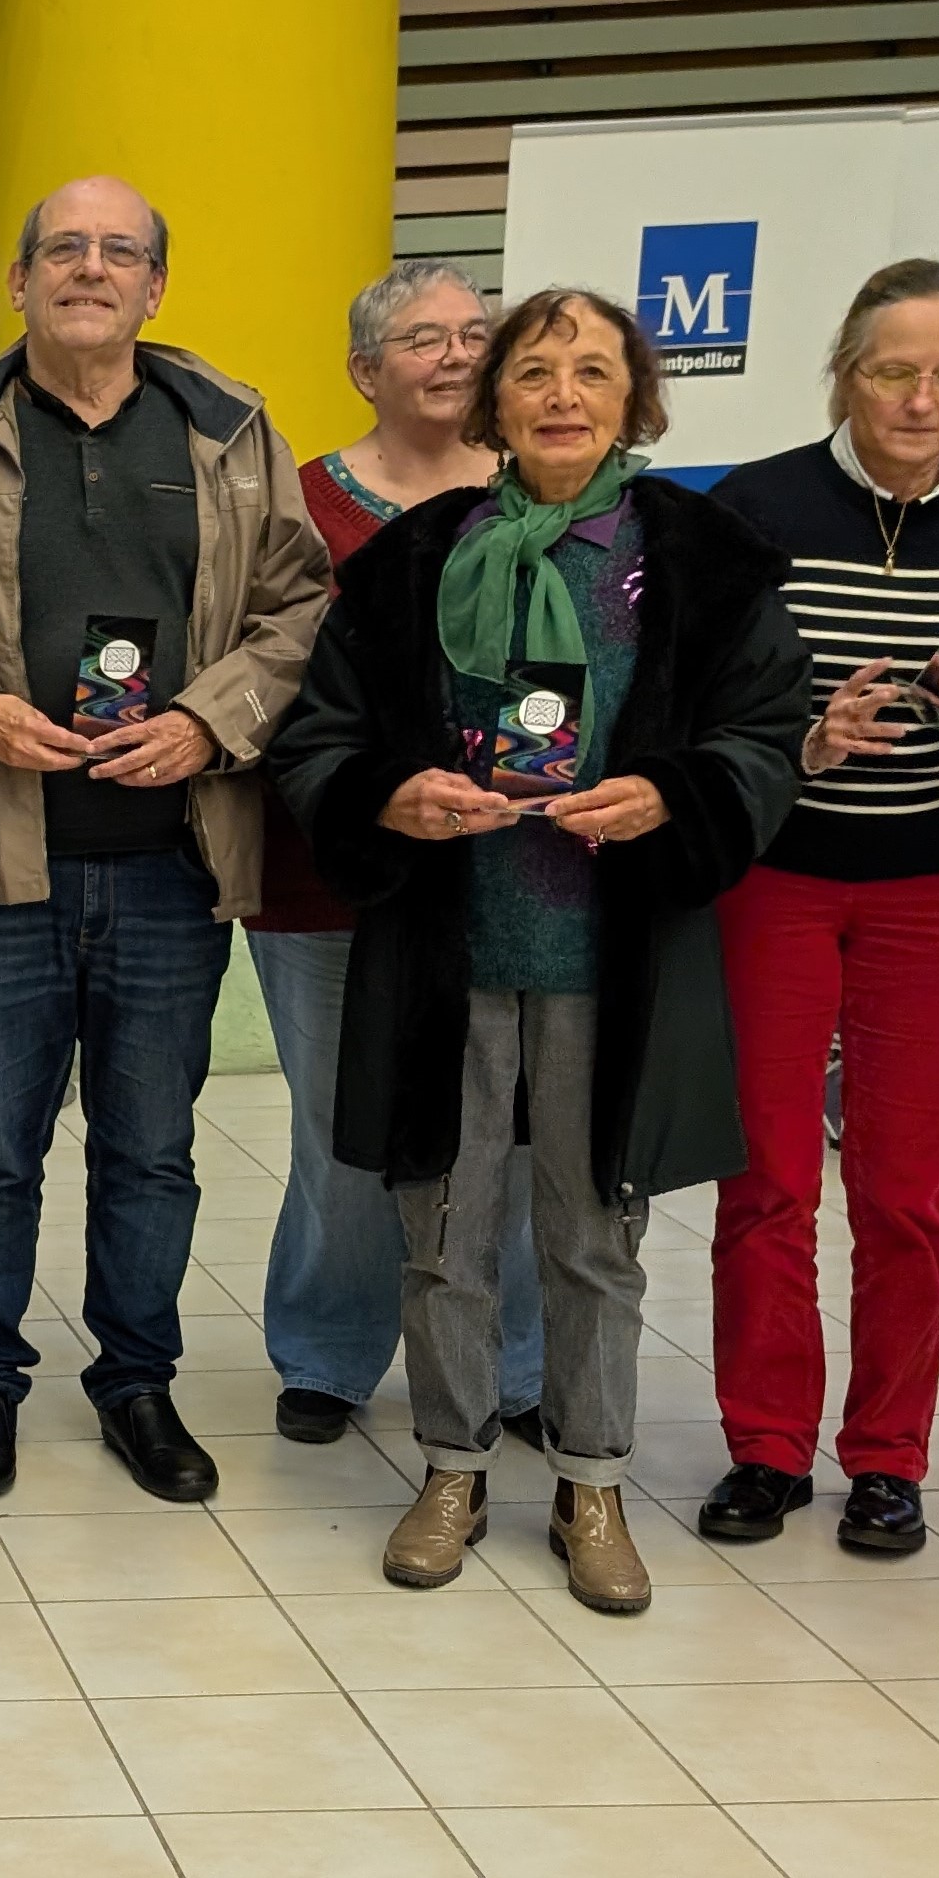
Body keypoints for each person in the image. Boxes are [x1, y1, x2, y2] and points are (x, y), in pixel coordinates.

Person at [270, 289, 809, 1613]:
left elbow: (763, 736)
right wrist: (389, 795)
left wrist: (672, 793)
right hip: (446, 951)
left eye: (591, 372)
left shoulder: (703, 559)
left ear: (634, 399)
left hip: (611, 959)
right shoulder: (410, 559)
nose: (561, 395)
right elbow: (319, 738)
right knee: (442, 1231)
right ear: (493, 402)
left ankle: (591, 1480)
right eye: (534, 373)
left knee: (590, 1236)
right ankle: (451, 1466)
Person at [0, 174, 330, 1507]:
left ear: (154, 287)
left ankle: (136, 1383)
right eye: (63, 247)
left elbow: (297, 610)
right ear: (18, 280)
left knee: (150, 1152)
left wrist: (210, 722)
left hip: (173, 858)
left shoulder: (230, 431)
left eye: (119, 251)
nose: (89, 267)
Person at [704, 260, 939, 1554]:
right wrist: (804, 740)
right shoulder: (756, 504)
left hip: (938, 883)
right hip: (777, 877)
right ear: (843, 372)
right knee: (764, 1180)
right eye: (893, 370)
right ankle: (764, 1446)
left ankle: (886, 1458)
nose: (921, 399)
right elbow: (709, 712)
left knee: (906, 1193)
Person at [260, 260, 549, 1451]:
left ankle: (519, 1366)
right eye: (423, 338)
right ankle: (326, 1353)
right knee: (341, 1134)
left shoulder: (547, 496)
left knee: (514, 1133)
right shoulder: (295, 509)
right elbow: (268, 686)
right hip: (329, 878)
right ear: (362, 369)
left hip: (516, 878)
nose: (455, 355)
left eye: (474, 334)